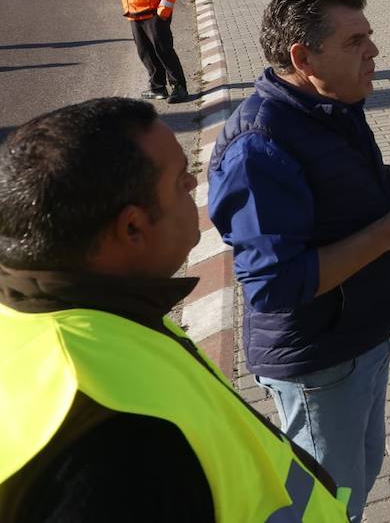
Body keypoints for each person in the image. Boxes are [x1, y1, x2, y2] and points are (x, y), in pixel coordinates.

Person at [0, 98, 349, 522]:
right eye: (182, 181)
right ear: (132, 227)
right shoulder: (117, 441)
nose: (194, 187)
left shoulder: (68, 314)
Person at [208, 0, 390, 523]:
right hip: (319, 362)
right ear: (303, 56)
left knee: (355, 481)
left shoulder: (328, 106)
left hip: (359, 341)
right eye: (354, 41)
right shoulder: (260, 146)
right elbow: (273, 285)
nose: (373, 52)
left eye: (368, 36)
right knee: (324, 506)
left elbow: (330, 198)